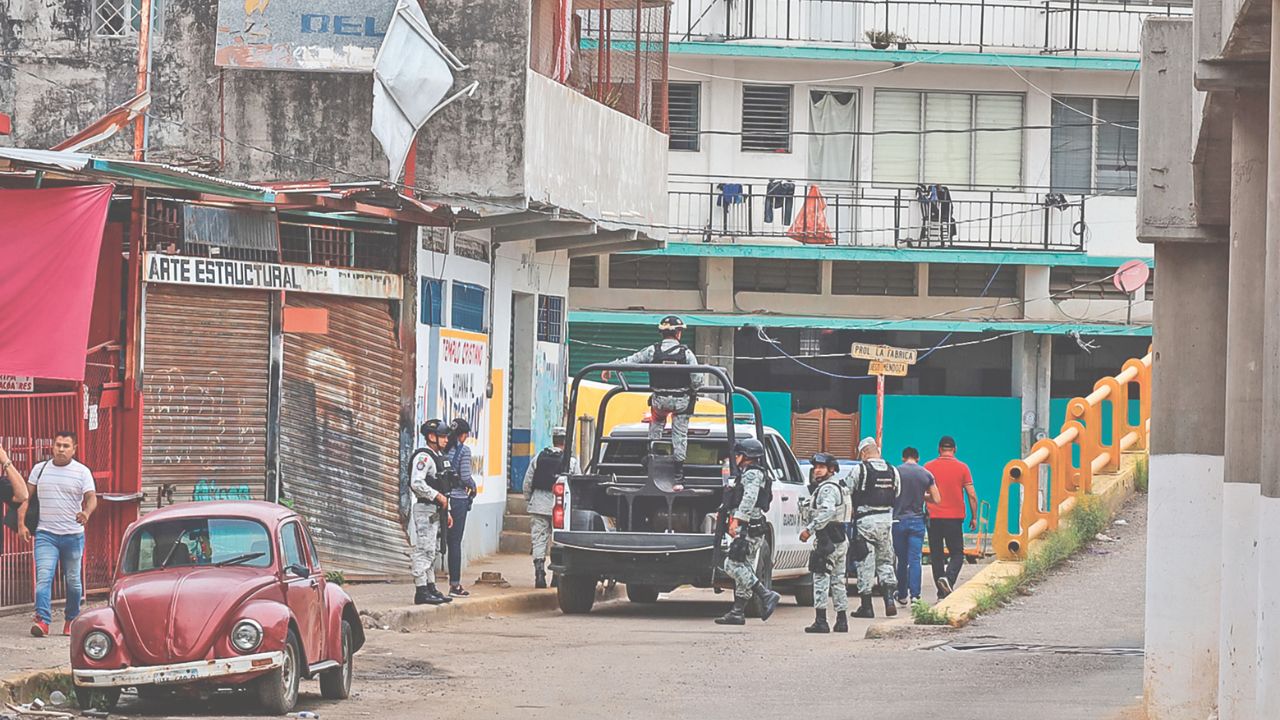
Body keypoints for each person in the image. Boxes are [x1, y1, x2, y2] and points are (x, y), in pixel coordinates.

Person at [16, 431, 96, 637]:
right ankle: (42, 621)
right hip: (46, 534)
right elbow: (26, 497)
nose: (61, 449)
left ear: (74, 449)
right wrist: (21, 523)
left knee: (73, 581)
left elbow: (91, 498)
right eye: (58, 445)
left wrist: (86, 513)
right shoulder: (39, 469)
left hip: (73, 535)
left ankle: (72, 619)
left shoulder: (82, 472)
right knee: (44, 577)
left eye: (66, 446)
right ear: (52, 446)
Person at [601, 315, 701, 478]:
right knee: (680, 433)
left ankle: (652, 454)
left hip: (659, 402)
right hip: (681, 403)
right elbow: (697, 381)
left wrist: (610, 367)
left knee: (657, 420)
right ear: (678, 333)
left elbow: (632, 360)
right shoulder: (687, 354)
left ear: (662, 333)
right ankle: (678, 470)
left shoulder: (652, 350)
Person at [714, 438, 782, 626]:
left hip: (748, 528)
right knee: (745, 567)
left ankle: (766, 594)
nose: (735, 457)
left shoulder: (752, 475)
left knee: (732, 565)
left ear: (746, 456)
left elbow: (749, 498)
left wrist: (738, 519)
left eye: (737, 454)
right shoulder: (750, 473)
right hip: (751, 526)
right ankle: (737, 611)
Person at [847, 437, 900, 619]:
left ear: (863, 453)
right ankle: (889, 601)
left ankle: (867, 607)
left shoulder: (860, 469)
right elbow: (897, 492)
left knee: (865, 563)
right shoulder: (893, 470)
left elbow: (847, 490)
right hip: (886, 522)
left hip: (865, 522)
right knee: (885, 562)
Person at [799, 453, 850, 634]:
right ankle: (841, 620)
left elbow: (826, 511)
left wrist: (809, 530)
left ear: (831, 469)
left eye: (821, 467)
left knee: (821, 579)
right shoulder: (839, 485)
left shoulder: (828, 488)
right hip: (839, 538)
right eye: (815, 467)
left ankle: (821, 621)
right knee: (838, 581)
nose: (816, 470)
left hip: (827, 539)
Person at [523, 426, 579, 589]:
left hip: (538, 505)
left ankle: (539, 574)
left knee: (539, 540)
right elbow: (577, 485)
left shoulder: (538, 458)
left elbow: (527, 482)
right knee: (559, 541)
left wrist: (529, 499)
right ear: (566, 442)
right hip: (561, 508)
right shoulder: (571, 462)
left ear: (554, 440)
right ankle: (557, 576)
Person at [925, 435, 978, 599]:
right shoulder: (963, 468)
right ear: (954, 450)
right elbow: (971, 495)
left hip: (933, 517)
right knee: (957, 553)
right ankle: (948, 579)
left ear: (939, 449)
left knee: (936, 555)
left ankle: (941, 592)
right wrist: (974, 516)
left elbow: (924, 493)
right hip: (954, 518)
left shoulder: (928, 467)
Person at [409, 420, 455, 606]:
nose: (445, 440)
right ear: (431, 437)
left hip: (436, 510)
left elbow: (444, 486)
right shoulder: (424, 457)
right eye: (442, 436)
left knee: (433, 549)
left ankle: (430, 587)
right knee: (424, 550)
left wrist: (447, 511)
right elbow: (417, 483)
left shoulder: (438, 456)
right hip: (425, 509)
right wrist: (437, 496)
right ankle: (421, 590)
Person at [893, 447, 941, 607]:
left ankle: (901, 595)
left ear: (903, 457)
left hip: (898, 521)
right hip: (917, 521)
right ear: (918, 458)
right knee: (915, 559)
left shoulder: (896, 472)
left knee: (901, 560)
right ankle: (915, 596)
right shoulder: (926, 474)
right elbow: (937, 498)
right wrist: (922, 495)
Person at [445, 418, 477, 598]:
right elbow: (465, 476)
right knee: (454, 543)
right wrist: (473, 486)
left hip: (442, 499)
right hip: (457, 500)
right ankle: (455, 584)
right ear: (463, 435)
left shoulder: (443, 449)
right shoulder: (463, 450)